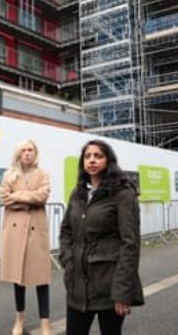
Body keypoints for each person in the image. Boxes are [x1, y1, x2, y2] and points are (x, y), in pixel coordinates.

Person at [59, 139, 144, 335]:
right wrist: (68, 261)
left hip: (110, 286)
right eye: (87, 156)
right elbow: (66, 231)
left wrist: (122, 292)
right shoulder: (78, 192)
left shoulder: (123, 192)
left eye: (98, 156)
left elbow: (130, 243)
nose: (92, 160)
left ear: (108, 160)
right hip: (78, 284)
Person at [0, 139, 51, 335]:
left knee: (41, 278)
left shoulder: (43, 174)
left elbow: (43, 196)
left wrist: (17, 196)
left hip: (37, 230)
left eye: (31, 150)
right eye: (24, 150)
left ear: (35, 153)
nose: (28, 153)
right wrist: (30, 197)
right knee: (17, 277)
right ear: (18, 154)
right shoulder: (9, 175)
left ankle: (45, 321)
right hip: (15, 231)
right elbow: (5, 199)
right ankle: (19, 318)